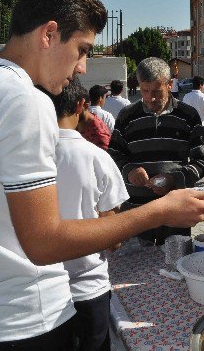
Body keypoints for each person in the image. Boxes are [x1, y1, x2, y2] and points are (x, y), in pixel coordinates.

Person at [0, 0, 204, 349]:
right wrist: (159, 211)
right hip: (25, 323)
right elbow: (44, 241)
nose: (82, 67)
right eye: (82, 49)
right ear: (49, 35)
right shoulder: (22, 99)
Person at [49, 77, 127, 351]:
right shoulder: (97, 158)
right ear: (81, 104)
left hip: (39, 295)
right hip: (88, 288)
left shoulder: (23, 154)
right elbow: (113, 238)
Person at [109, 57, 204, 245]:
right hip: (136, 213)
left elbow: (202, 161)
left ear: (170, 84)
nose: (150, 98)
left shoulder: (188, 115)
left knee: (175, 267)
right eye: (145, 90)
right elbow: (114, 154)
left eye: (157, 91)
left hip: (176, 213)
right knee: (137, 269)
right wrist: (129, 170)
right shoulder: (127, 115)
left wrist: (174, 179)